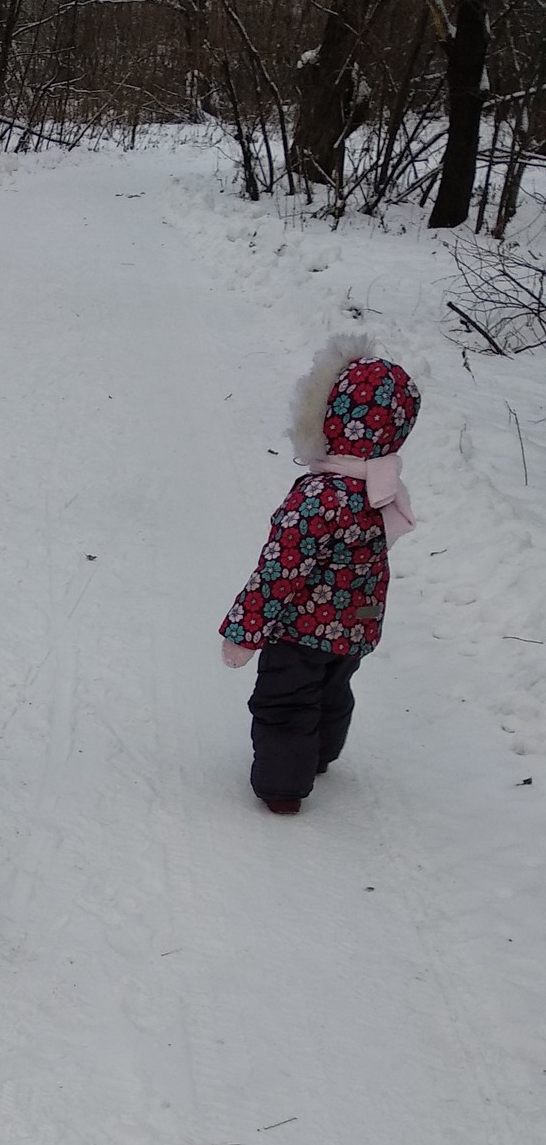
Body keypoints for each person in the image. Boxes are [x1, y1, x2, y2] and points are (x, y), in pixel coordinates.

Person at [221, 341, 421, 813]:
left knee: (286, 701)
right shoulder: (380, 489)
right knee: (333, 687)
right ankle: (321, 754)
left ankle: (282, 787)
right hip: (355, 623)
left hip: (300, 629)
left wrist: (244, 632)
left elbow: (278, 571)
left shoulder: (318, 496)